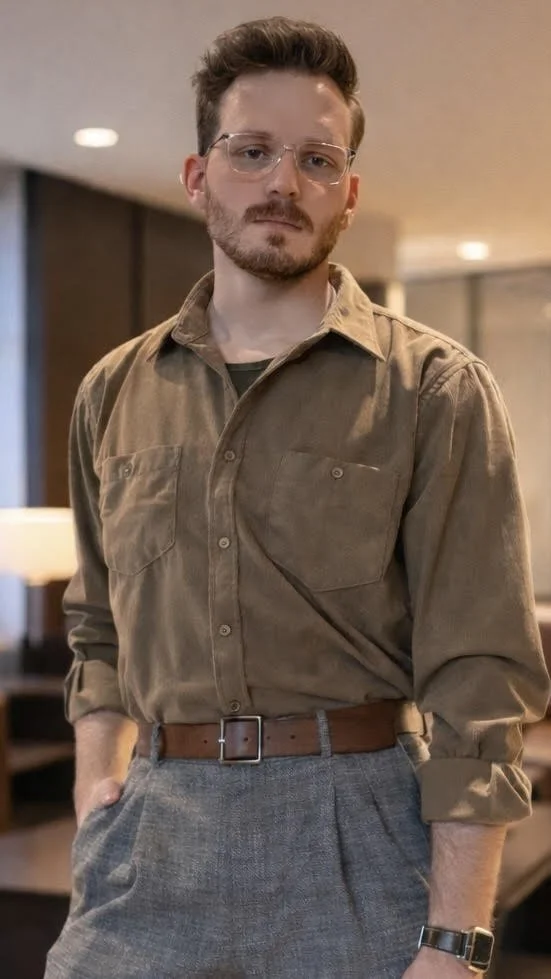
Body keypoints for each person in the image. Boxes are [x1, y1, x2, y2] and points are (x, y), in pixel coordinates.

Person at [45, 16, 550, 979]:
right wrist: (95, 780)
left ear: (347, 194)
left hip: (355, 834)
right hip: (151, 831)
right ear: (201, 177)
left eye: (317, 159)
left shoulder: (434, 390)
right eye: (252, 151)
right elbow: (97, 622)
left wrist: (455, 939)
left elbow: (478, 683)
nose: (283, 181)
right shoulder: (113, 389)